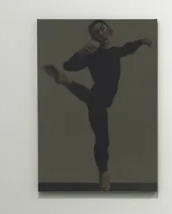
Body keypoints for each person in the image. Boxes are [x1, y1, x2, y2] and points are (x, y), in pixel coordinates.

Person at [45, 20, 150, 190]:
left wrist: (142, 41)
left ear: (110, 31)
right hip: (98, 99)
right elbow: (68, 66)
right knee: (102, 137)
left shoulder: (115, 52)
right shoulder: (92, 57)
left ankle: (67, 82)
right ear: (93, 38)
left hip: (99, 99)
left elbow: (128, 48)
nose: (100, 33)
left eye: (102, 29)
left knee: (97, 120)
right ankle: (104, 173)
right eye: (95, 33)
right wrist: (81, 53)